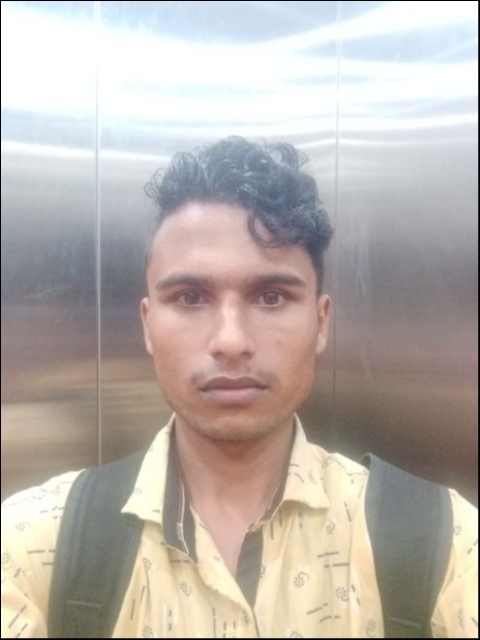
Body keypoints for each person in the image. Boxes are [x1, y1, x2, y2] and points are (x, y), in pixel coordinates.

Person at [1, 137, 477, 638]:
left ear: (321, 322)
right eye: (191, 297)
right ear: (147, 324)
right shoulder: (33, 547)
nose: (231, 341)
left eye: (271, 297)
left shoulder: (445, 545)